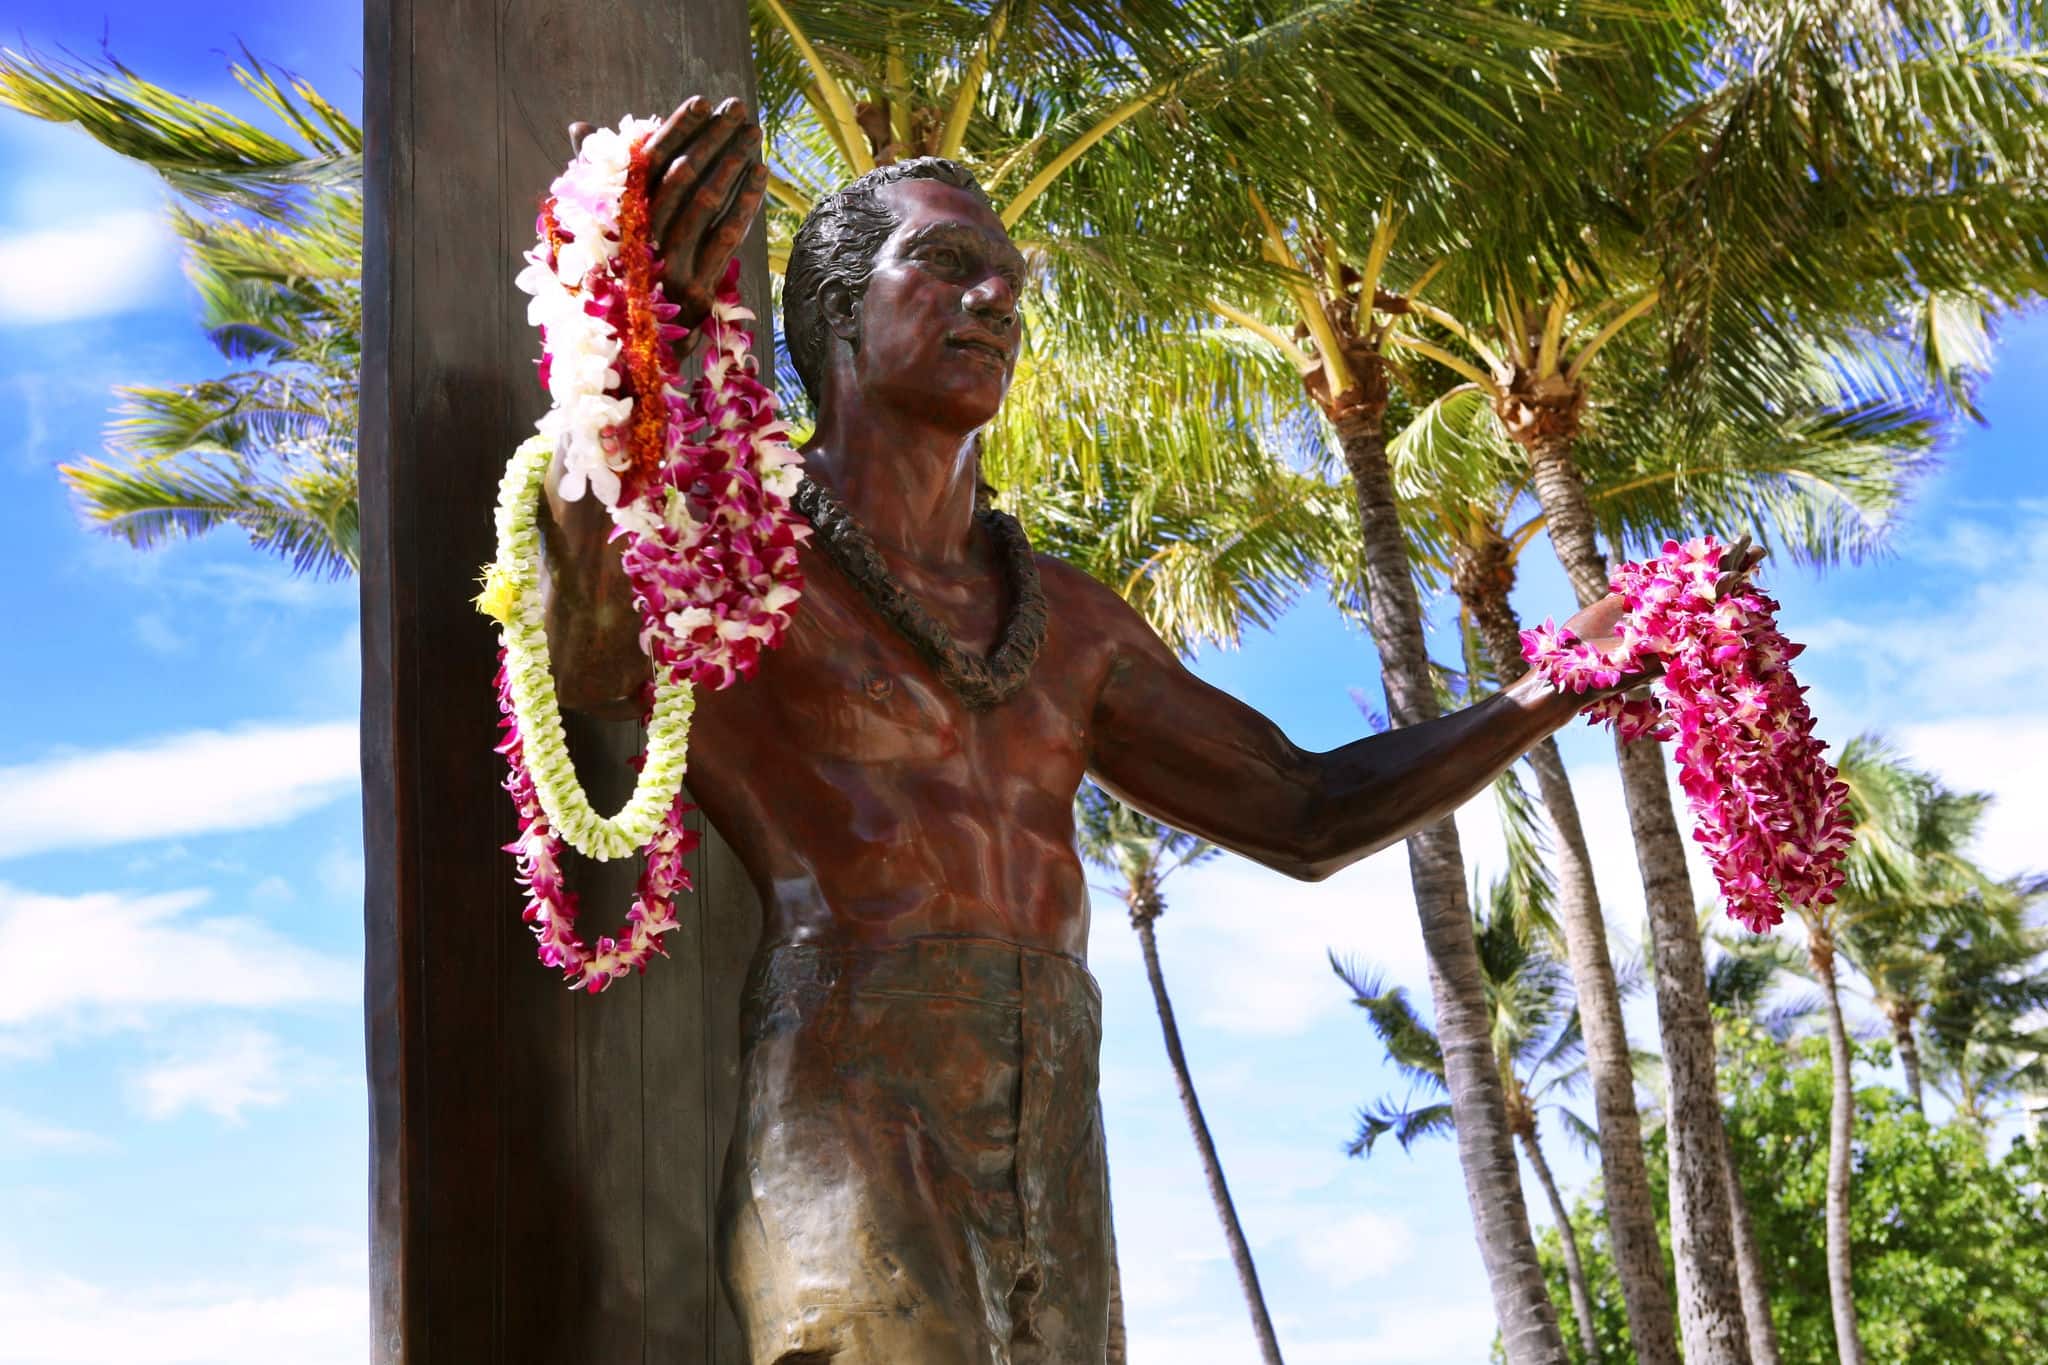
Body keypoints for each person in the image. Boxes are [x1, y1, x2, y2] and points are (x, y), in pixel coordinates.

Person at [542, 95, 1659, 1365]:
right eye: (947, 267)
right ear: (836, 312)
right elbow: (586, 661)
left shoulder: (1067, 622)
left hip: (1057, 1115)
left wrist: (1553, 686)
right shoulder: (749, 556)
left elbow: (1300, 813)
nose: (993, 303)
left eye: (1009, 284)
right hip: (853, 1109)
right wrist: (633, 340)